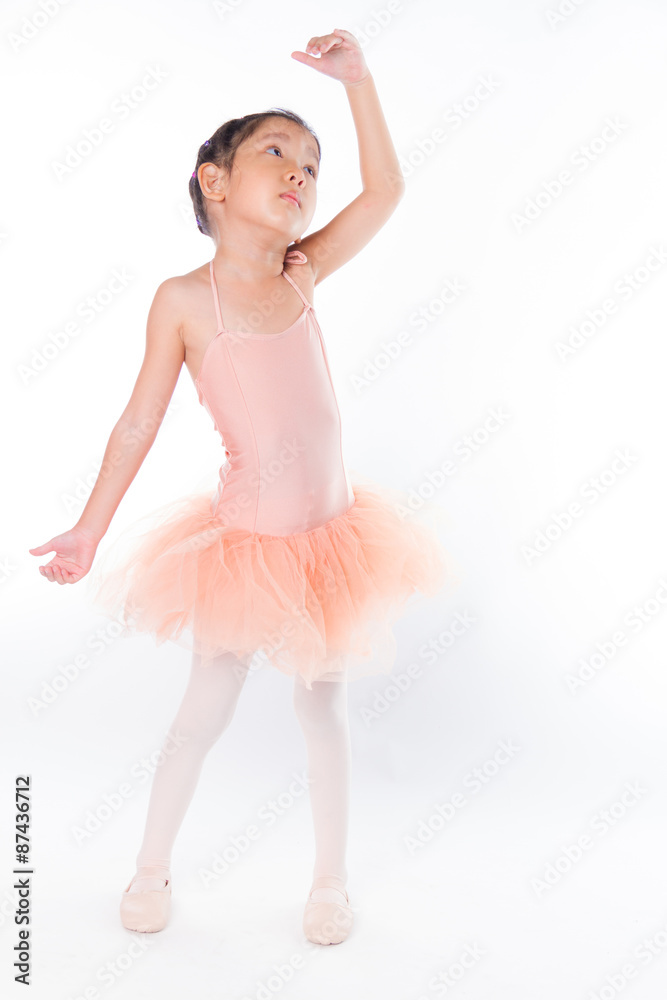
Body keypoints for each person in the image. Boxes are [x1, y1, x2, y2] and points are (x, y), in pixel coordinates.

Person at [28, 28, 461, 945]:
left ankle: (328, 884)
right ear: (213, 181)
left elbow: (385, 190)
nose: (301, 173)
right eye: (277, 152)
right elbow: (138, 422)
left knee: (324, 710)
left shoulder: (302, 274)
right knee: (203, 713)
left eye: (310, 164)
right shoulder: (187, 301)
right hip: (244, 549)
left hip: (334, 540)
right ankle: (151, 868)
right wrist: (88, 531)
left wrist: (360, 83)